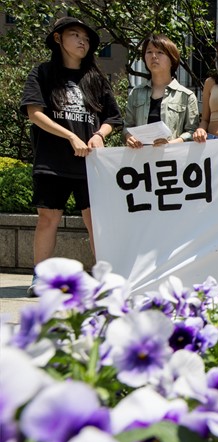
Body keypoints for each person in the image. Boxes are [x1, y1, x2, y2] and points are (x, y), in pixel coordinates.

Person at [21, 16, 122, 297]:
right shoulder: (42, 73)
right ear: (58, 39)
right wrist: (70, 136)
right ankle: (41, 277)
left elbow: (113, 117)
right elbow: (34, 113)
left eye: (86, 38)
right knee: (47, 218)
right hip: (52, 161)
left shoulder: (95, 79)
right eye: (75, 35)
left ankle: (104, 279)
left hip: (90, 163)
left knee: (95, 222)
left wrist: (99, 134)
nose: (82, 42)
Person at [125, 34, 199, 147]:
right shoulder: (136, 93)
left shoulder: (186, 96)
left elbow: (192, 131)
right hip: (141, 156)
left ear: (172, 59)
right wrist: (129, 137)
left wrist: (170, 144)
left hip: (172, 156)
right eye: (149, 52)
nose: (154, 56)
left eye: (160, 52)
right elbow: (127, 126)